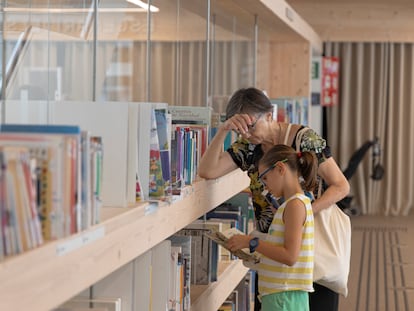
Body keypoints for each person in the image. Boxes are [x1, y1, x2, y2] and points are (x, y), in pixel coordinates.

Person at [198, 87, 350, 311]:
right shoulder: (249, 146)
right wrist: (223, 131)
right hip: (270, 253)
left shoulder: (304, 140)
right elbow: (208, 171)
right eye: (241, 130)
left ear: (269, 115)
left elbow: (341, 186)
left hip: (309, 251)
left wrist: (301, 214)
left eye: (251, 126)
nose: (247, 134)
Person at [227, 144, 317, 311]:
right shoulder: (292, 204)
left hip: (283, 297)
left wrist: (252, 242)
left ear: (280, 168)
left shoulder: (295, 205)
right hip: (280, 295)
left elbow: (290, 256)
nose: (265, 186)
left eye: (265, 179)